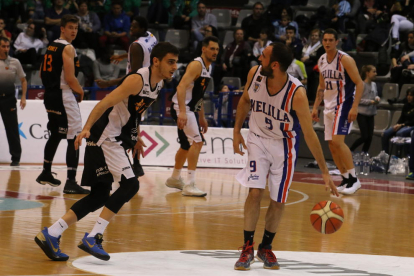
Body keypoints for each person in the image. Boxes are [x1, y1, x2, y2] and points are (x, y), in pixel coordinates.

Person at [34, 42, 179, 261]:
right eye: (170, 61)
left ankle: (52, 234)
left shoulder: (158, 85)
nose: (175, 66)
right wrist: (85, 129)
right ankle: (94, 236)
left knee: (99, 196)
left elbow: (134, 112)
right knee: (131, 184)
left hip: (112, 136)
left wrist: (136, 135)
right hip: (105, 136)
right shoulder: (137, 80)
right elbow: (103, 103)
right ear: (156, 61)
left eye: (176, 62)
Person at [233, 42, 338, 271]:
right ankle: (247, 247)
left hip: (283, 145)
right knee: (254, 192)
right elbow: (244, 101)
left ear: (276, 65)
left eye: (263, 56)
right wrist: (236, 132)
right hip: (257, 139)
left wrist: (324, 171)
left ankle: (265, 247)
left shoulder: (296, 93)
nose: (259, 58)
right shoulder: (255, 74)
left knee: (278, 199)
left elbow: (309, 134)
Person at [96, 16, 157, 177]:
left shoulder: (136, 46)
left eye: (135, 26)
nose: (131, 28)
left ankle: (125, 164)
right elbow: (143, 56)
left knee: (125, 127)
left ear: (142, 28)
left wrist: (108, 83)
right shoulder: (151, 37)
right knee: (135, 124)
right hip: (149, 88)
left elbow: (133, 77)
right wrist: (122, 57)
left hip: (136, 89)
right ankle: (137, 165)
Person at [36, 15, 89, 195]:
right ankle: (71, 181)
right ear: (62, 29)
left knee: (56, 134)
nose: (74, 31)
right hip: (63, 95)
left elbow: (42, 71)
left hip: (50, 94)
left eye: (76, 27)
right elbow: (70, 78)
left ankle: (45, 172)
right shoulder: (67, 48)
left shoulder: (51, 46)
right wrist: (80, 91)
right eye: (70, 27)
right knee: (74, 136)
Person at [311, 28, 364, 195]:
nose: (327, 43)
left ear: (337, 41)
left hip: (344, 104)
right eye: (325, 40)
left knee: (338, 142)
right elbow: (321, 85)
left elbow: (360, 83)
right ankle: (346, 178)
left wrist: (355, 107)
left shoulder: (345, 59)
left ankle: (355, 180)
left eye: (330, 40)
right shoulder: (321, 60)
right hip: (328, 105)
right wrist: (315, 107)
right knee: (332, 145)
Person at [165, 36, 219, 197]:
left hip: (188, 108)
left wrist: (201, 117)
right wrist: (182, 111)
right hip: (182, 108)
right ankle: (190, 184)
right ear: (204, 49)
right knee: (197, 141)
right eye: (212, 49)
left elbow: (198, 95)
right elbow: (181, 86)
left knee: (185, 145)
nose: (215, 52)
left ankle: (175, 178)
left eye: (217, 49)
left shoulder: (208, 68)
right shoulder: (197, 65)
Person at [0, 37, 27, 166]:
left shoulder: (15, 62)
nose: (6, 49)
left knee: (12, 129)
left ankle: (15, 158)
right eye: (3, 46)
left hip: (9, 99)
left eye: (7, 46)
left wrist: (23, 97)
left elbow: (23, 80)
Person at [350, 65, 380, 153]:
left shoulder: (374, 84)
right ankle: (350, 150)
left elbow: (375, 95)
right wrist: (370, 102)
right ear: (367, 73)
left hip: (371, 113)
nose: (376, 74)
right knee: (364, 136)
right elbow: (357, 100)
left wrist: (377, 98)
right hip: (362, 113)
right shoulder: (361, 85)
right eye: (374, 71)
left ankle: (364, 154)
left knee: (370, 137)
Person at [381, 88, 414, 154]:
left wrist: (402, 125)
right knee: (385, 133)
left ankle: (399, 155)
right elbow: (402, 118)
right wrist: (397, 124)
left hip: (411, 125)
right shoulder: (406, 106)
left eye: (411, 95)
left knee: (400, 133)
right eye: (408, 95)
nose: (408, 97)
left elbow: (412, 121)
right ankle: (385, 154)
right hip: (403, 125)